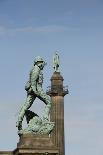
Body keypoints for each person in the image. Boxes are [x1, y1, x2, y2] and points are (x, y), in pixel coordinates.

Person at [16, 56, 52, 131]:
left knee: (26, 106)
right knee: (49, 102)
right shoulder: (36, 69)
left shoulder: (34, 69)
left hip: (32, 90)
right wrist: (36, 91)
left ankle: (19, 121)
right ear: (39, 63)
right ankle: (45, 119)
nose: (43, 66)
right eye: (42, 63)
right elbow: (33, 81)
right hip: (37, 89)